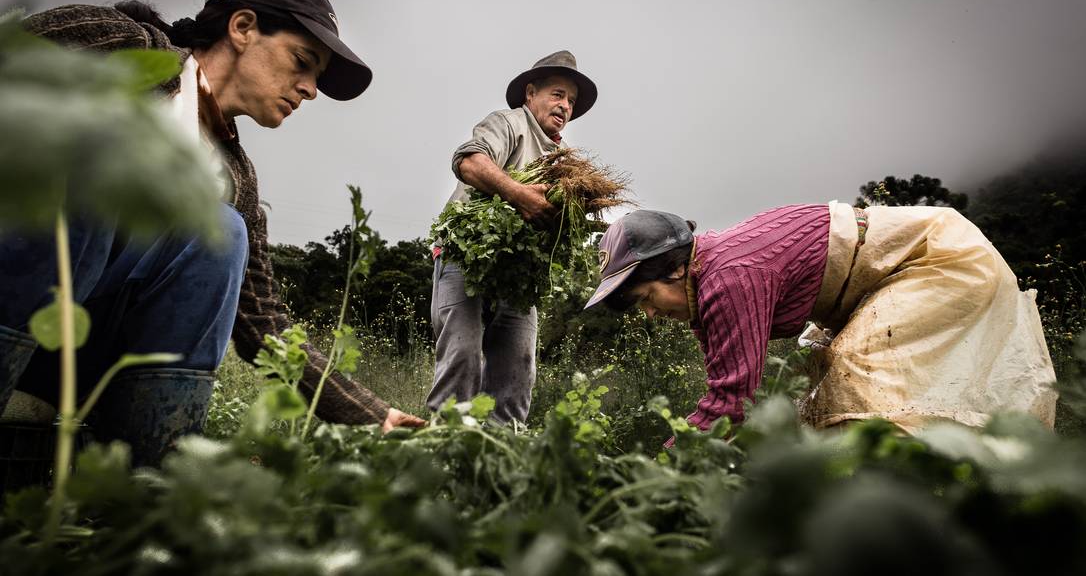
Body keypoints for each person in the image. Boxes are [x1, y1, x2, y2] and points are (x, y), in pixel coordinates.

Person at [0, 0, 424, 467]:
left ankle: (150, 490)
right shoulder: (123, 47)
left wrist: (372, 413)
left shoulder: (234, 179)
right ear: (243, 27)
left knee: (220, 232)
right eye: (301, 61)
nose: (310, 89)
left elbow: (264, 325)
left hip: (77, 352)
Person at [583, 203, 1057, 435]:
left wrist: (669, 465)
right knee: (820, 371)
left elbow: (734, 398)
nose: (649, 313)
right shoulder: (711, 272)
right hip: (890, 275)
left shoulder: (729, 276)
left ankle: (886, 503)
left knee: (853, 374)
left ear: (676, 268)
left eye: (646, 297)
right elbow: (724, 383)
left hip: (938, 259)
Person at [428, 50, 598, 422]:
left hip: (518, 273)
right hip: (465, 256)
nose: (565, 105)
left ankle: (501, 454)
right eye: (557, 94)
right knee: (463, 354)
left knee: (518, 366)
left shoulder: (564, 160)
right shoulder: (509, 124)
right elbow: (469, 161)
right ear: (530, 94)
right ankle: (446, 446)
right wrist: (518, 193)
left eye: (570, 100)